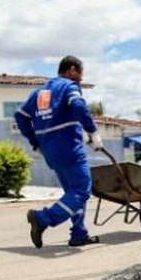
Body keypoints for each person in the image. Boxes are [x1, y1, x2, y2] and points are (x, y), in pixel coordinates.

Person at [15, 55, 102, 248]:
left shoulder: (39, 93)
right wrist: (92, 131)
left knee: (72, 193)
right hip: (69, 147)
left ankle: (79, 233)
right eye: (80, 74)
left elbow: (20, 116)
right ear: (72, 69)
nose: (81, 79)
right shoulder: (68, 86)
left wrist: (35, 142)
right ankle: (43, 218)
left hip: (50, 151)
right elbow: (78, 105)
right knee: (81, 191)